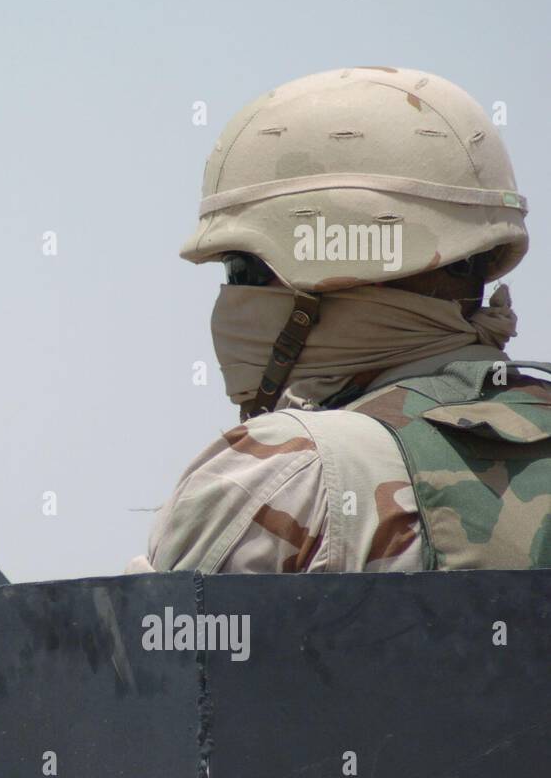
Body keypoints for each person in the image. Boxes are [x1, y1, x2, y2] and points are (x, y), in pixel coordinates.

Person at [129, 66, 551, 574]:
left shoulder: (288, 471)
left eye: (241, 269)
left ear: (324, 274)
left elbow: (148, 648)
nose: (230, 299)